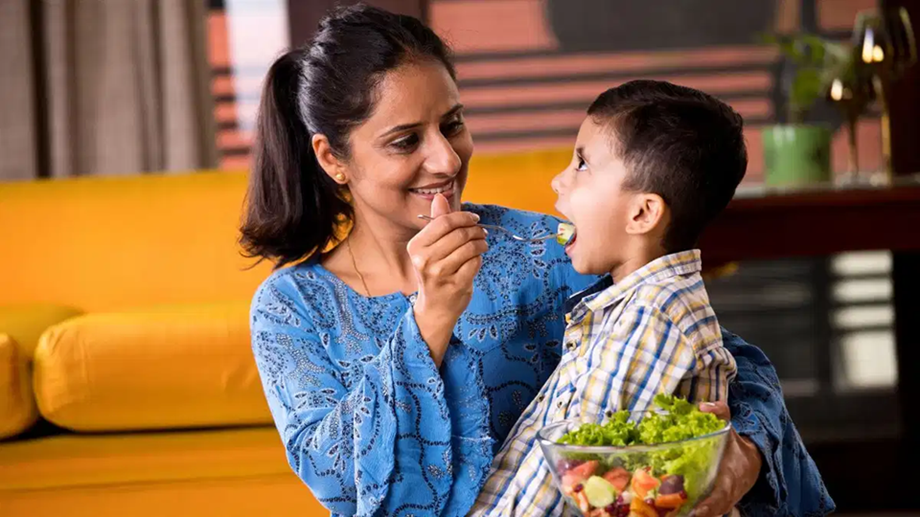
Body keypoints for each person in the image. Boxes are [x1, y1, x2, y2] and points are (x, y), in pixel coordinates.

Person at [242, 5, 833, 517]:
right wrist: (430, 319)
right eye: (405, 141)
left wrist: (744, 454)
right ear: (332, 158)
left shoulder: (548, 248)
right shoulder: (292, 309)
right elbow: (335, 477)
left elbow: (716, 356)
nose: (446, 160)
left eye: (453, 124)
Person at [472, 80, 747, 515]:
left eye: (582, 164)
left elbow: (572, 478)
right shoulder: (634, 305)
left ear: (642, 213)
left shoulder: (651, 317)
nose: (558, 181)